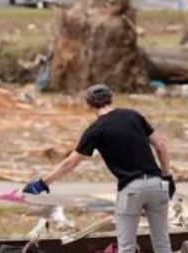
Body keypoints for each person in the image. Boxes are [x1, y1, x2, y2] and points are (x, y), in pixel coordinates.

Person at [23, 84, 174, 253]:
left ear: (89, 104)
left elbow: (70, 162)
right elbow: (161, 146)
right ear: (111, 99)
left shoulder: (96, 129)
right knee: (163, 244)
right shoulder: (134, 115)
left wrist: (43, 183)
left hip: (131, 190)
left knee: (126, 247)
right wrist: (167, 177)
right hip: (157, 185)